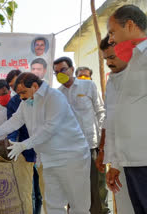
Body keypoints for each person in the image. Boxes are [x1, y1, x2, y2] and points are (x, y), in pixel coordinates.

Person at [0, 72, 91, 214]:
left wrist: (24, 145)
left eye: (23, 92)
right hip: (48, 159)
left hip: (72, 157)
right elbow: (15, 121)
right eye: (18, 94)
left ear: (34, 86)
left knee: (78, 206)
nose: (21, 97)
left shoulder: (54, 97)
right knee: (53, 205)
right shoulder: (27, 102)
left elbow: (50, 128)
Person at [106, 5, 147, 213]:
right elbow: (123, 113)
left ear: (130, 25)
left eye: (112, 32)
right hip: (133, 161)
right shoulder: (135, 62)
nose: (111, 39)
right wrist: (115, 162)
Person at [53, 56, 106, 214]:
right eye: (56, 73)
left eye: (62, 70)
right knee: (73, 192)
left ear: (71, 69)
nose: (59, 74)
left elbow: (101, 112)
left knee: (97, 191)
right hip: (70, 151)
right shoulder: (57, 94)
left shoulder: (88, 85)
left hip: (91, 147)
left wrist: (103, 142)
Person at [96, 35, 134, 214]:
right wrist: (110, 160)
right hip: (122, 161)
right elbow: (110, 120)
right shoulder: (111, 81)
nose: (109, 63)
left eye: (112, 57)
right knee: (126, 206)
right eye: (106, 59)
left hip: (139, 159)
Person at [5, 69, 43, 214]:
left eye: (18, 85)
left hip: (45, 150)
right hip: (25, 152)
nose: (17, 90)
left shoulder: (45, 98)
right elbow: (13, 127)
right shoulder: (14, 102)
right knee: (29, 191)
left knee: (42, 191)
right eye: (13, 87)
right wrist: (12, 145)